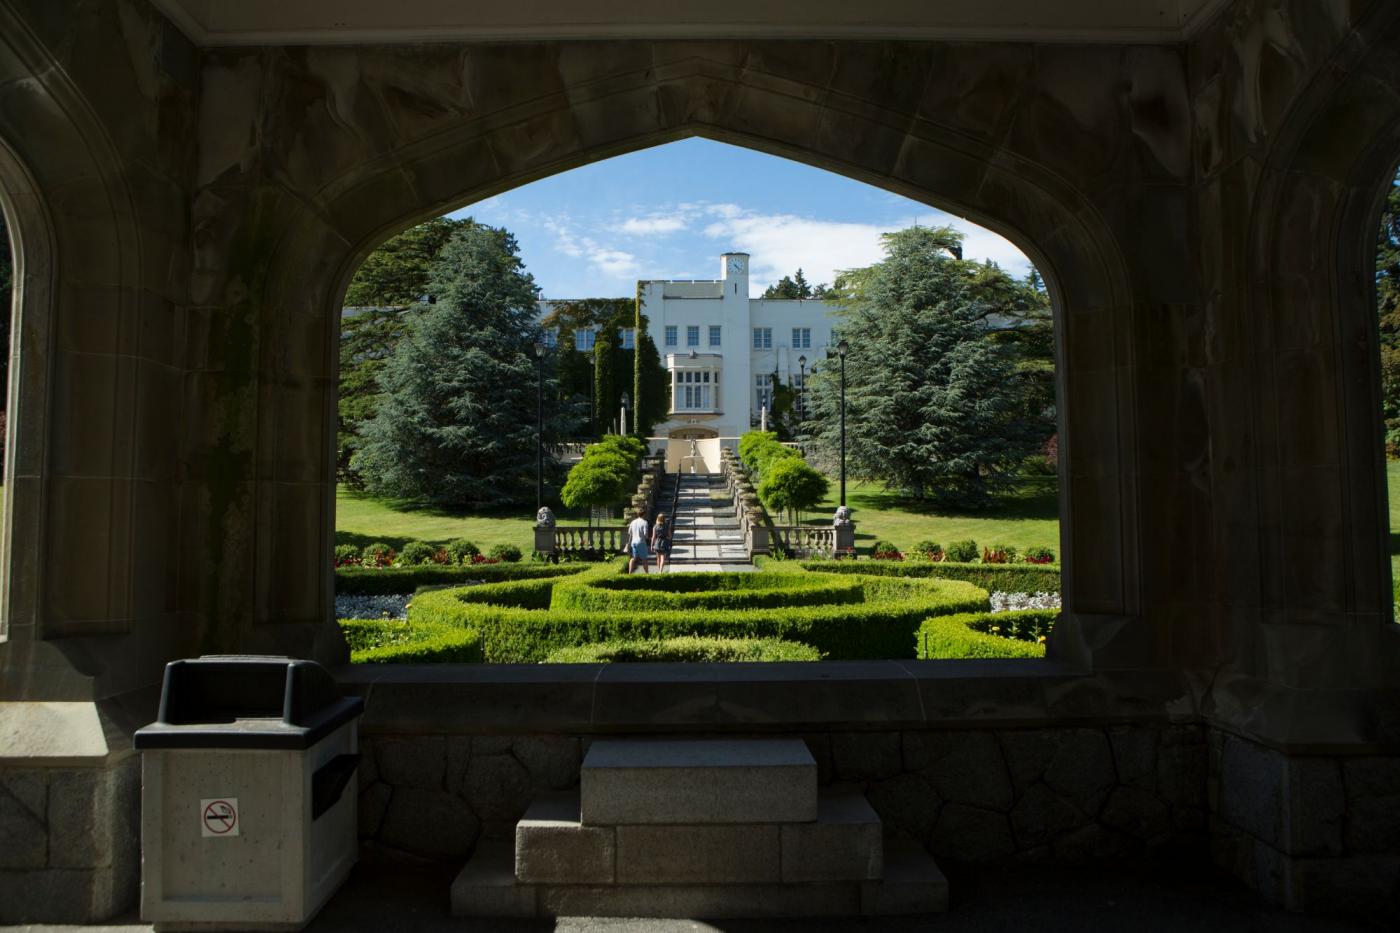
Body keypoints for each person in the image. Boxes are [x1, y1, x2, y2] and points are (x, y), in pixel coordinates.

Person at [626, 509, 650, 574]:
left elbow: (630, 533)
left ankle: (630, 573)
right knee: (644, 559)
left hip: (633, 542)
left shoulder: (633, 522)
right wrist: (648, 539)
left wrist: (629, 543)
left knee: (633, 558)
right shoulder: (644, 522)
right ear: (644, 514)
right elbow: (645, 535)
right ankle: (647, 574)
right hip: (641, 542)